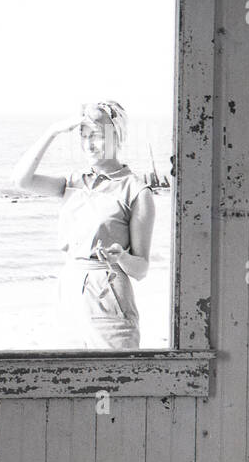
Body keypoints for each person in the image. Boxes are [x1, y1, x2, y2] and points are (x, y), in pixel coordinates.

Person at [12, 100, 155, 349]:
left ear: (118, 136)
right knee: (68, 380)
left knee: (118, 379)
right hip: (68, 292)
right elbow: (22, 181)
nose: (89, 143)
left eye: (97, 135)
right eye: (84, 135)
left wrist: (121, 257)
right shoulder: (72, 182)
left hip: (108, 295)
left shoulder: (136, 191)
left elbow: (141, 269)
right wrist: (53, 131)